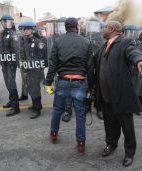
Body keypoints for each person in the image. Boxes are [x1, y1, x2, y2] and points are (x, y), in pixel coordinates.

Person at [94, 20, 142, 167]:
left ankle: (129, 153)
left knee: (127, 126)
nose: (102, 30)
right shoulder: (102, 47)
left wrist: (140, 61)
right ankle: (111, 144)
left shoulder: (125, 43)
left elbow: (133, 53)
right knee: (109, 124)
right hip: (105, 95)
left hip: (121, 95)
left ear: (112, 29)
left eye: (105, 27)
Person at [45, 17, 94, 154]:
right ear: (76, 27)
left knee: (57, 110)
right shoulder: (86, 42)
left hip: (63, 81)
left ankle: (53, 134)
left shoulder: (58, 42)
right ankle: (81, 143)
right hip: (79, 82)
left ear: (65, 27)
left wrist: (48, 82)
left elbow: (52, 64)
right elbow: (90, 68)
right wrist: (92, 87)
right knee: (80, 115)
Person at [18, 21, 47, 119]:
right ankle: (36, 104)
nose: (24, 31)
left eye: (26, 29)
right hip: (28, 69)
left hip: (36, 70)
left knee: (35, 89)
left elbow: (42, 57)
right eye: (23, 29)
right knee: (30, 88)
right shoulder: (25, 41)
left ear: (32, 29)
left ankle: (37, 109)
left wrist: (38, 69)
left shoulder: (38, 42)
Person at [0, 14, 20, 116]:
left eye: (5, 21)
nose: (3, 24)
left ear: (9, 22)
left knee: (11, 83)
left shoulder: (13, 34)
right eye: (2, 22)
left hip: (10, 63)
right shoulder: (2, 33)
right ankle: (11, 100)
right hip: (4, 62)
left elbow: (15, 50)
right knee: (7, 82)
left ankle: (16, 107)